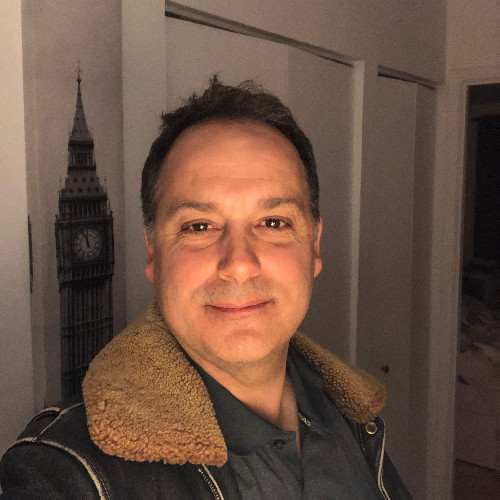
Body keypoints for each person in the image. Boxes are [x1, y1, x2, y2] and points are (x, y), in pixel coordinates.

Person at [0, 77, 411, 499]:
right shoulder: (64, 470)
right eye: (199, 226)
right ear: (153, 252)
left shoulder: (355, 417)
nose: (239, 265)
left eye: (273, 223)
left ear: (314, 246)